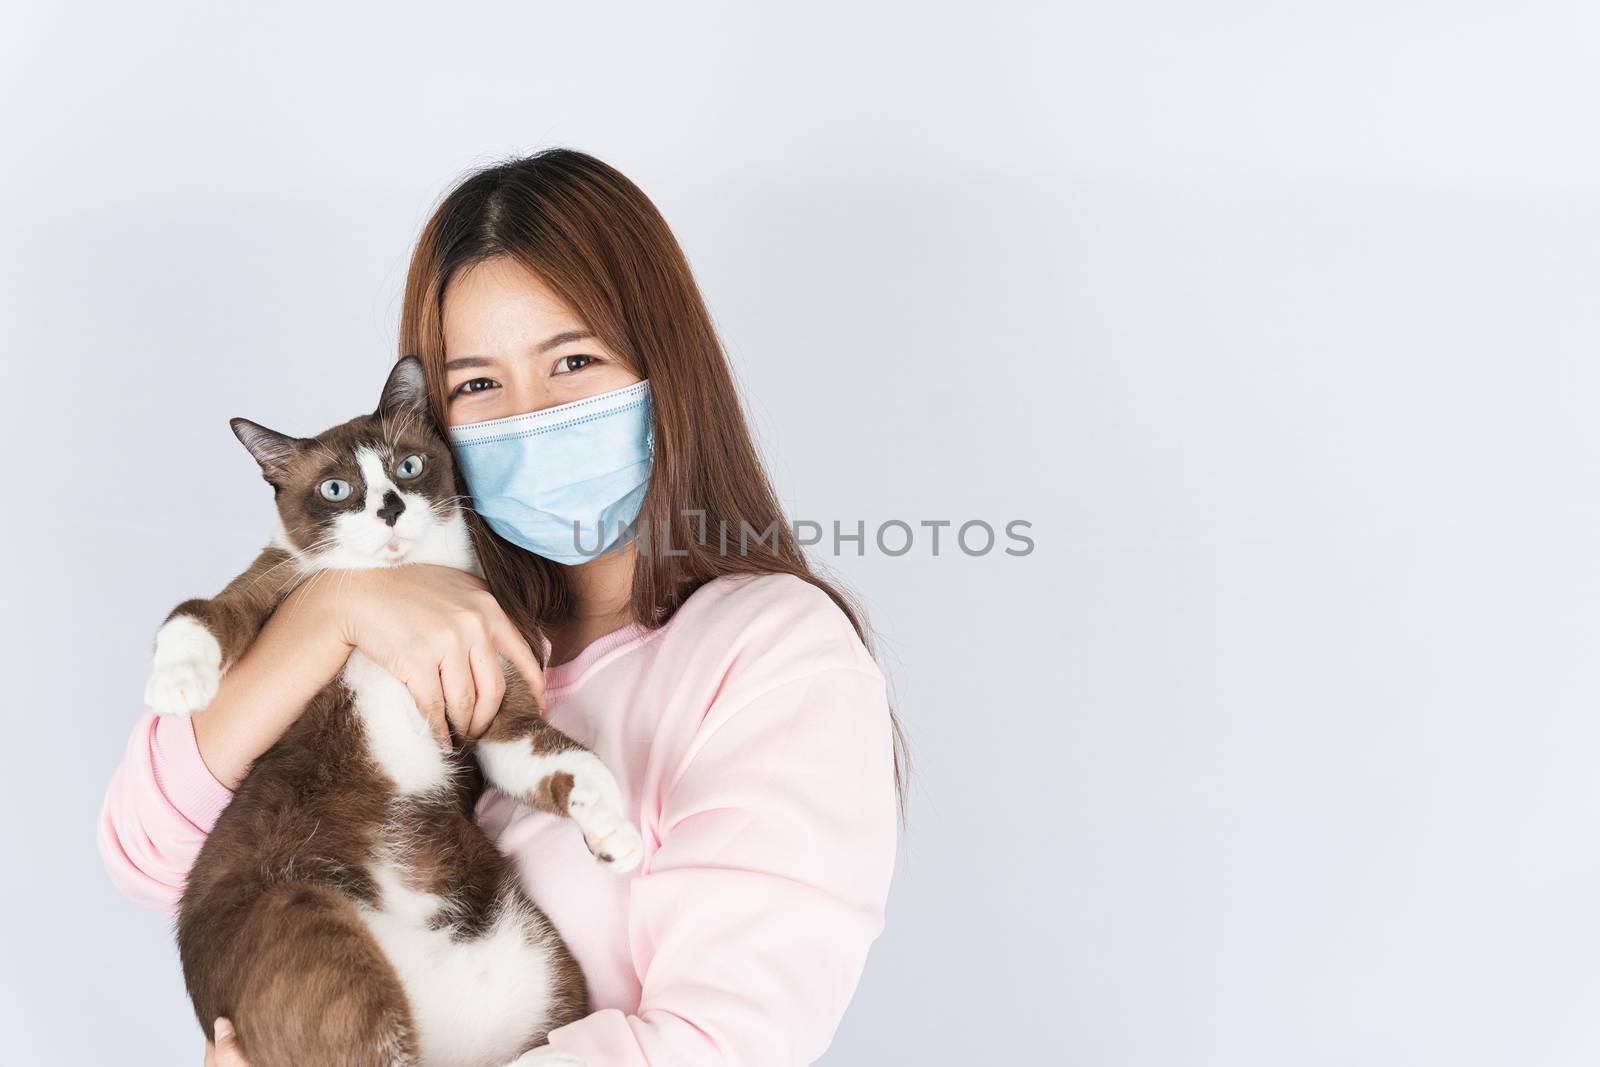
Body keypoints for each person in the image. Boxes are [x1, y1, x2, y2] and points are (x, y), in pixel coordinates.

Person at [96, 148, 906, 1067]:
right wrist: (335, 613)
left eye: (572, 361)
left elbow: (723, 1044)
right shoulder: (442, 618)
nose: (531, 414)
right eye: (479, 384)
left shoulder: (775, 653)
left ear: (664, 368)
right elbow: (148, 850)